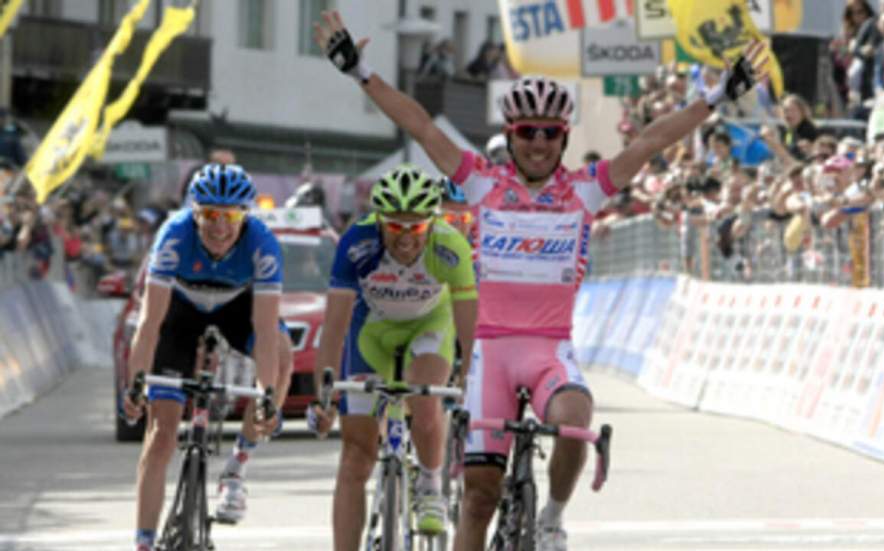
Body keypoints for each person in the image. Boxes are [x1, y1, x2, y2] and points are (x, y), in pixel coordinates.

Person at [314, 10, 764, 550]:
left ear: (564, 136)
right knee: (480, 496)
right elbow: (422, 125)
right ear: (511, 134)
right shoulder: (482, 182)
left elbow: (649, 142)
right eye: (528, 132)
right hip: (489, 353)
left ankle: (551, 516)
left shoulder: (585, 189)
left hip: (550, 348)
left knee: (576, 419)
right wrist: (360, 71)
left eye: (551, 133)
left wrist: (713, 99)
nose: (539, 143)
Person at [307, 164, 478, 551]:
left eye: (416, 228)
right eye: (395, 228)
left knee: (424, 393)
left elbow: (469, 332)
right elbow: (333, 328)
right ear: (378, 221)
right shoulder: (356, 243)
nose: (405, 240)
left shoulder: (451, 247)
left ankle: (431, 484)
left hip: (430, 327)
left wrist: (470, 381)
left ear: (431, 224)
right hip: (373, 335)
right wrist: (324, 395)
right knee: (355, 456)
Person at [121, 163, 283, 551]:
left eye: (230, 216)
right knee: (161, 434)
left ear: (246, 215)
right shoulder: (174, 236)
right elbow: (149, 324)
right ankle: (144, 542)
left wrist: (266, 394)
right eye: (210, 214)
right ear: (195, 213)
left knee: (283, 352)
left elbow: (263, 331)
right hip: (180, 313)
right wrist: (136, 386)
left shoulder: (263, 244)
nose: (220, 227)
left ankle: (237, 469)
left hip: (234, 307)